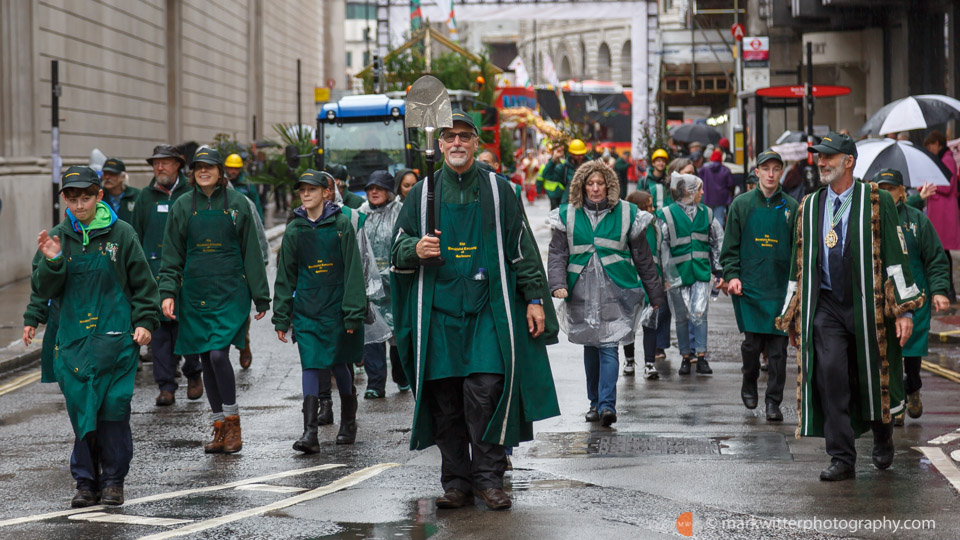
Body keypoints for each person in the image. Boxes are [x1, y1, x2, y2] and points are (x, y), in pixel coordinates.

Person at [390, 111, 560, 511]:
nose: (456, 144)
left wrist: (535, 299)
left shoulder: (501, 191)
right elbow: (396, 248)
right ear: (440, 143)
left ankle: (489, 479)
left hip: (488, 310)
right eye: (449, 137)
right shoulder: (422, 193)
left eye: (464, 137)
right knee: (444, 399)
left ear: (476, 143)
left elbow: (522, 250)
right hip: (439, 313)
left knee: (484, 393)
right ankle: (456, 483)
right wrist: (416, 249)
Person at [776, 132, 923, 481]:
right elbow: (799, 264)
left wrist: (903, 309)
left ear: (848, 162)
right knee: (831, 376)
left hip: (867, 304)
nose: (820, 163)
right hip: (825, 305)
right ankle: (842, 457)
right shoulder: (809, 206)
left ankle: (883, 434)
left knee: (872, 373)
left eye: (828, 157)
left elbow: (895, 255)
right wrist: (793, 313)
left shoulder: (875, 200)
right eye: (819, 157)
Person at [34, 166, 160, 507]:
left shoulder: (122, 234)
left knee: (114, 410)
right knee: (83, 412)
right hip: (73, 345)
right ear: (64, 200)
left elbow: (143, 284)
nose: (79, 205)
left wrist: (146, 320)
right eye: (73, 199)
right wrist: (53, 261)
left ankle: (113, 480)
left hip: (118, 342)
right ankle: (85, 483)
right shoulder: (58, 237)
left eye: (86, 198)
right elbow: (44, 289)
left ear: (99, 196)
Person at [158, 149, 271, 454]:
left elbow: (252, 252)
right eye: (198, 168)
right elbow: (172, 255)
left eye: (209, 167)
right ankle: (219, 426)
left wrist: (261, 296)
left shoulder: (238, 204)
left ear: (221, 172)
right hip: (195, 294)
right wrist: (167, 292)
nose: (203, 172)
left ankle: (233, 422)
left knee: (219, 355)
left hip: (231, 291)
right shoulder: (182, 205)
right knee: (207, 358)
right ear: (191, 173)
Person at [548, 161, 665, 426]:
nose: (596, 188)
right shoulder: (566, 214)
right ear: (581, 186)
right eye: (590, 183)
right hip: (580, 290)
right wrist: (556, 283)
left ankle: (607, 405)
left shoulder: (627, 213)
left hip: (617, 289)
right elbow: (557, 253)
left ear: (610, 185)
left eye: (601, 183)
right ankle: (594, 403)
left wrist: (655, 294)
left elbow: (643, 258)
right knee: (591, 346)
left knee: (610, 344)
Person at [273, 170, 365, 451]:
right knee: (311, 365)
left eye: (312, 189)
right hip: (307, 311)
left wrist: (352, 311)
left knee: (340, 363)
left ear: (326, 193)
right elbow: (285, 276)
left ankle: (349, 421)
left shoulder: (341, 225)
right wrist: (281, 316)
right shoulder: (294, 230)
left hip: (337, 309)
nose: (306, 193)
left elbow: (353, 271)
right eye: (302, 189)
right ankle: (309, 433)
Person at [719, 149, 798, 422]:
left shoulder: (791, 207)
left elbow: (798, 251)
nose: (771, 174)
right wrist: (732, 276)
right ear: (757, 172)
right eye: (766, 169)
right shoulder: (741, 205)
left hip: (779, 289)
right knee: (752, 346)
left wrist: (795, 285)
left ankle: (773, 401)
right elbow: (729, 248)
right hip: (750, 287)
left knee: (778, 351)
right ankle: (749, 381)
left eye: (776, 169)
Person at [873, 169, 950, 426]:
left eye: (891, 187)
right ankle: (895, 404)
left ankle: (913, 387)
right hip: (881, 301)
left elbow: (936, 258)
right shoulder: (870, 221)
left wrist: (939, 291)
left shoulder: (917, 221)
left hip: (915, 300)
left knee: (911, 355)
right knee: (887, 354)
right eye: (881, 187)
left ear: (901, 191)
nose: (886, 192)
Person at [132, 144, 202, 406]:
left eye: (165, 162)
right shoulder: (145, 197)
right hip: (154, 275)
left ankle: (194, 374)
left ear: (178, 165)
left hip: (187, 274)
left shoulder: (190, 192)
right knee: (160, 333)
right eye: (156, 163)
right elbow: (135, 236)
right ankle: (166, 385)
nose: (159, 167)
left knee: (188, 329)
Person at [657, 172, 725, 375]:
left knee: (700, 314)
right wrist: (666, 276)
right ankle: (686, 357)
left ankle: (701, 356)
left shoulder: (707, 213)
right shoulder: (666, 215)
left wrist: (718, 270)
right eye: (700, 189)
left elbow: (717, 243)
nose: (703, 193)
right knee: (681, 317)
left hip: (701, 272)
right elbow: (662, 247)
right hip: (677, 275)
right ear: (688, 191)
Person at [358, 171, 409, 395]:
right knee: (372, 335)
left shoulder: (402, 212)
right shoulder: (359, 214)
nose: (374, 192)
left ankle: (402, 376)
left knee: (397, 337)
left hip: (396, 284)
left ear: (389, 191)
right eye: (370, 188)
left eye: (379, 188)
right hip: (369, 287)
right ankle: (375, 385)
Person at [624, 190, 668, 379]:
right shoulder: (627, 227)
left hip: (651, 281)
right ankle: (629, 360)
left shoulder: (655, 227)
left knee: (650, 323)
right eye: (649, 205)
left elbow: (662, 255)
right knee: (629, 324)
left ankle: (649, 363)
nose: (653, 209)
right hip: (631, 280)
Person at [923, 130, 960, 300]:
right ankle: (947, 290)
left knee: (941, 252)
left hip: (944, 212)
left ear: (937, 144)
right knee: (940, 251)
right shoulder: (943, 159)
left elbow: (948, 186)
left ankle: (948, 290)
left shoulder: (947, 160)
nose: (930, 149)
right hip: (940, 212)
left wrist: (932, 186)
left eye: (930, 145)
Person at [542, 139, 588, 209]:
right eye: (577, 155)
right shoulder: (564, 168)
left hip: (587, 205)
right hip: (568, 205)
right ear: (571, 154)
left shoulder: (591, 166)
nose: (580, 157)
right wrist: (553, 159)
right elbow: (546, 175)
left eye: (582, 154)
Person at [699, 150, 735, 226]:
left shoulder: (705, 169)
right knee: (719, 220)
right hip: (721, 198)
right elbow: (731, 184)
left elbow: (699, 181)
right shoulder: (726, 169)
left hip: (707, 197)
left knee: (708, 219)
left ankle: (709, 236)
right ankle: (719, 237)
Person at [224, 153, 264, 219]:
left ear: (240, 169)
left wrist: (260, 221)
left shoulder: (247, 184)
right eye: (231, 168)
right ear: (226, 168)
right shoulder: (221, 183)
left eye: (236, 168)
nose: (233, 171)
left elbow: (256, 204)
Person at [100, 158, 140, 224]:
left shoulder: (137, 196)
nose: (107, 177)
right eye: (105, 173)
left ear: (123, 177)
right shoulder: (98, 196)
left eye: (112, 174)